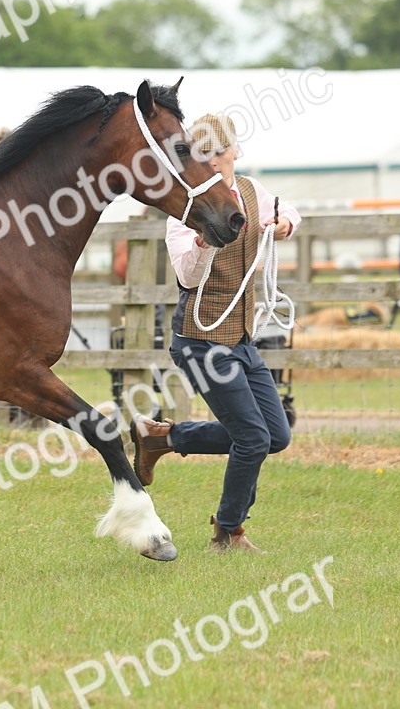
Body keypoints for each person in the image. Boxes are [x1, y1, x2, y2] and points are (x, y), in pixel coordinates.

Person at [129, 113, 300, 554]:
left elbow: (288, 213)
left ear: (234, 152)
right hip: (200, 339)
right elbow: (187, 277)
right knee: (253, 438)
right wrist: (203, 244)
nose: (212, 165)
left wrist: (283, 227)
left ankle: (162, 438)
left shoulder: (250, 190)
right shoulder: (185, 211)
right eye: (202, 157)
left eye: (218, 155)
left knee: (275, 436)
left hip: (240, 337)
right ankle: (228, 531)